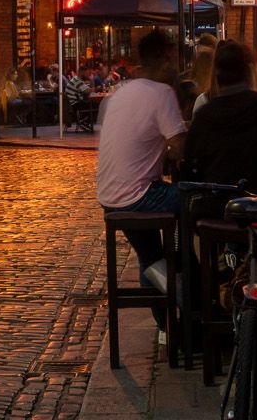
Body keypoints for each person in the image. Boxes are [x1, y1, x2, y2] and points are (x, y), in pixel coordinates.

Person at [96, 30, 188, 312]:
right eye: (173, 60)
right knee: (197, 200)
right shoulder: (162, 92)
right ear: (162, 59)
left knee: (150, 256)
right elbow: (183, 148)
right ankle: (192, 294)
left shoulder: (122, 92)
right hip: (139, 195)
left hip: (109, 197)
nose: (177, 67)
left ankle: (167, 322)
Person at [184, 41, 257, 198]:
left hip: (217, 206)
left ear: (216, 75)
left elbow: (190, 159)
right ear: (248, 72)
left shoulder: (204, 115)